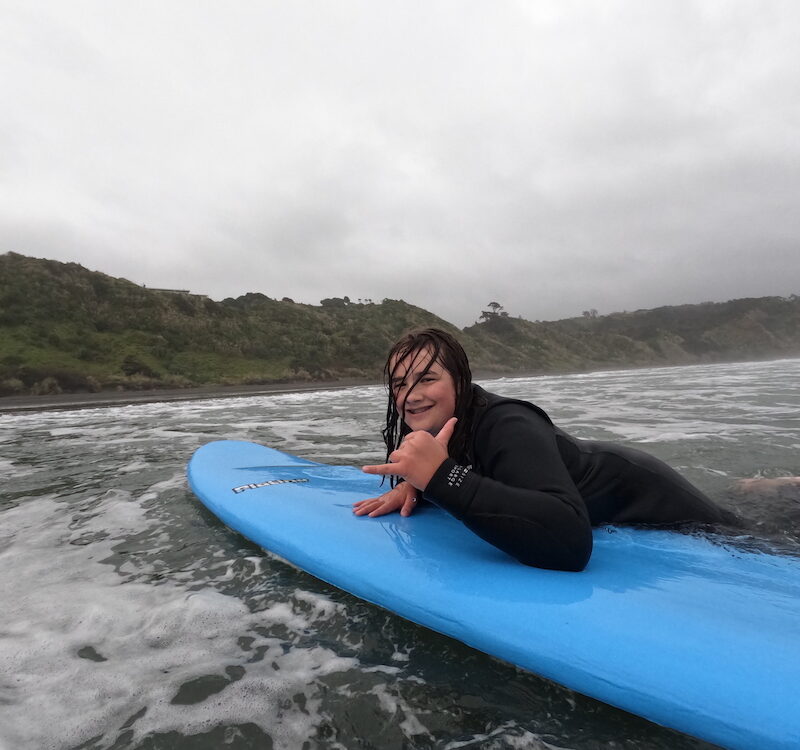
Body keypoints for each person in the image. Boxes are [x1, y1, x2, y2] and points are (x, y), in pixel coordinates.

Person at [353, 327, 738, 572]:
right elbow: (480, 475)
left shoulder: (509, 423)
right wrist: (417, 486)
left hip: (655, 497)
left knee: (750, 533)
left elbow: (570, 543)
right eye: (400, 384)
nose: (411, 395)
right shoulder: (439, 426)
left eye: (427, 379)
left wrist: (440, 478)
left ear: (461, 381)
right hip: (617, 480)